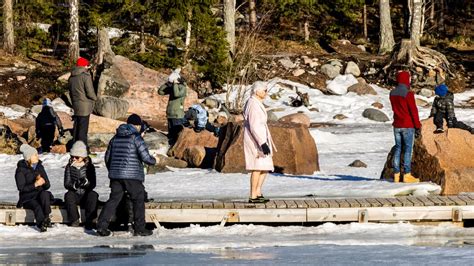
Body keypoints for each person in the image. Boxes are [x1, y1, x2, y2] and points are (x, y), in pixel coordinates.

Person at [96, 114, 157, 237]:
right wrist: (155, 160)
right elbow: (145, 158)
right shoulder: (136, 138)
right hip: (132, 176)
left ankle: (101, 226)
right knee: (138, 199)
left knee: (113, 200)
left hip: (116, 176)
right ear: (137, 125)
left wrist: (113, 171)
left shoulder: (115, 138)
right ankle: (140, 228)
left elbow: (107, 157)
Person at [243, 82, 276, 203]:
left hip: (261, 138)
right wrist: (262, 142)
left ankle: (258, 192)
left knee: (265, 167)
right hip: (255, 140)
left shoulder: (257, 103)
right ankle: (253, 195)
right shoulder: (252, 104)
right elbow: (254, 125)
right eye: (264, 90)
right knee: (256, 167)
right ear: (257, 91)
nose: (266, 92)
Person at [389, 71, 421, 183]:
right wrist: (418, 125)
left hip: (396, 125)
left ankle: (396, 175)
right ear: (406, 79)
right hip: (407, 125)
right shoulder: (408, 94)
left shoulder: (392, 93)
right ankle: (407, 174)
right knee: (408, 150)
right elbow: (413, 111)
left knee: (398, 148)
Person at [15, 144, 52, 232]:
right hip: (27, 198)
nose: (37, 156)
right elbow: (21, 188)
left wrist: (42, 181)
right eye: (35, 155)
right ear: (29, 158)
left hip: (39, 194)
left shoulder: (40, 167)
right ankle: (41, 224)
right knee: (37, 206)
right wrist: (35, 184)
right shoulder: (20, 170)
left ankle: (46, 217)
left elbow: (47, 186)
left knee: (45, 194)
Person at [64, 141, 99, 230]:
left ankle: (90, 220)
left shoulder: (89, 167)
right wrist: (75, 185)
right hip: (75, 194)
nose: (74, 159)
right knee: (68, 195)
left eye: (77, 157)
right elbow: (66, 183)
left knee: (93, 195)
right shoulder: (69, 167)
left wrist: (86, 183)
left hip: (85, 193)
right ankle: (74, 219)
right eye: (72, 157)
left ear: (83, 157)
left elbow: (93, 183)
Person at [68, 57, 97, 147]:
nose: (87, 67)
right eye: (87, 65)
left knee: (76, 128)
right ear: (84, 65)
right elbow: (90, 92)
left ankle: (74, 147)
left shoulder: (71, 77)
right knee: (83, 130)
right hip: (85, 106)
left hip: (76, 105)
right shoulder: (85, 76)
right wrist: (95, 98)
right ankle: (82, 150)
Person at [158, 69, 187, 144]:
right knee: (170, 135)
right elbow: (160, 92)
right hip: (170, 114)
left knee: (176, 136)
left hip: (177, 115)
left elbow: (176, 94)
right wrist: (167, 83)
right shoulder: (173, 87)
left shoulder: (183, 88)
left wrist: (174, 84)